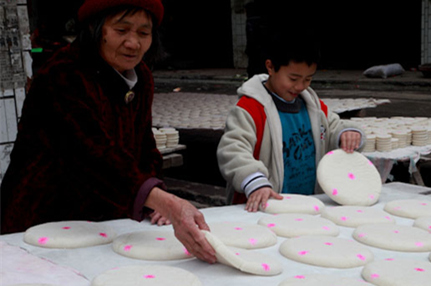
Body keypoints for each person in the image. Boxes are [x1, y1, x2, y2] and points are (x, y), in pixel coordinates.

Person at [0, 0, 216, 263]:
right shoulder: (63, 74)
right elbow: (93, 155)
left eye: (143, 33)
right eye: (121, 30)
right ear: (96, 28)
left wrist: (155, 195)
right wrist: (166, 202)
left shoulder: (142, 77)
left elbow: (144, 144)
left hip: (104, 221)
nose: (133, 43)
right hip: (42, 217)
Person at [217, 35, 365, 212]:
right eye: (293, 79)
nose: (300, 86)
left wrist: (347, 133)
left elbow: (332, 127)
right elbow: (233, 150)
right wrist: (255, 182)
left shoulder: (311, 104)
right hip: (264, 205)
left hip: (307, 202)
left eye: (308, 79)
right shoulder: (250, 109)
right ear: (270, 67)